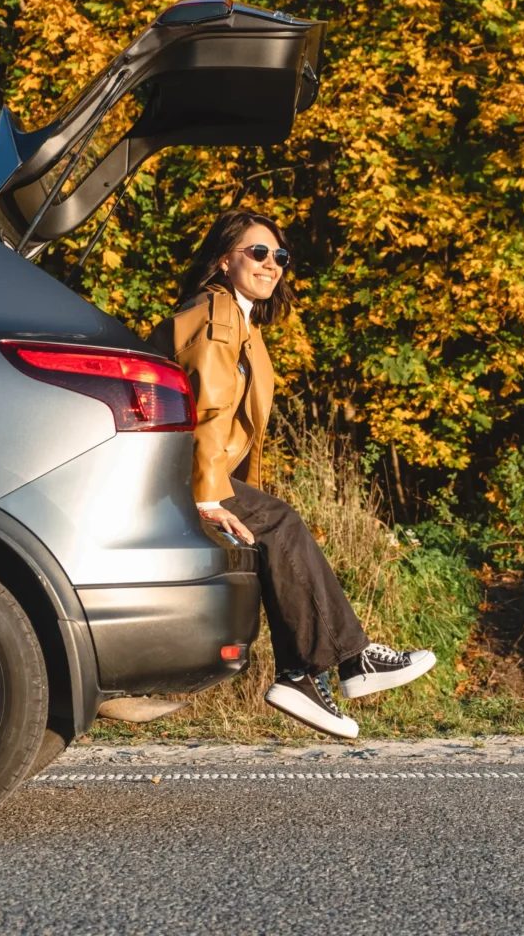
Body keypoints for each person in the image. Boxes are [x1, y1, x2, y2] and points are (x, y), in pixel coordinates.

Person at [149, 209, 436, 738]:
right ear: (223, 260)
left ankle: (325, 667)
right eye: (257, 253)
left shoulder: (240, 320)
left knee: (275, 523)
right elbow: (208, 405)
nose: (271, 264)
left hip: (186, 469)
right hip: (179, 471)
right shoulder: (215, 312)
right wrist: (210, 495)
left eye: (279, 256)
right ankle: (324, 667)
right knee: (277, 523)